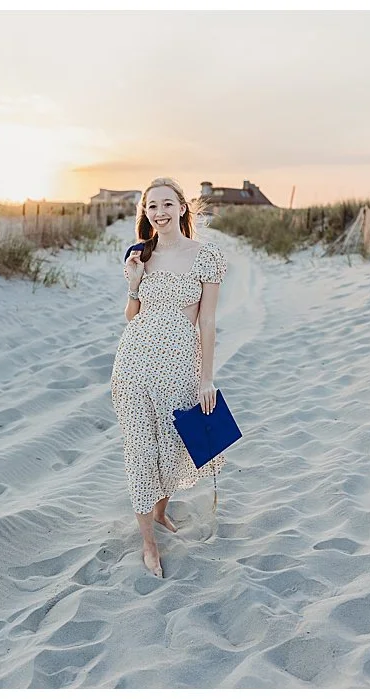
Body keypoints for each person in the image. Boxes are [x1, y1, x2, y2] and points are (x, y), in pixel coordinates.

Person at [111, 177, 228, 578]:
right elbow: (132, 316)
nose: (159, 213)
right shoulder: (140, 254)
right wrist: (133, 284)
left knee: (172, 446)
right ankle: (149, 544)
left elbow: (207, 322)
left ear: (181, 207)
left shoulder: (206, 256)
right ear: (145, 213)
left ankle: (160, 512)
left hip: (179, 365)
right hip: (133, 363)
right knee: (141, 451)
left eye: (166, 204)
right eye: (152, 206)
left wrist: (206, 379)